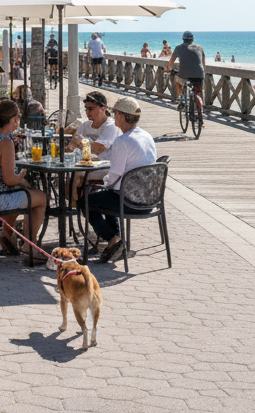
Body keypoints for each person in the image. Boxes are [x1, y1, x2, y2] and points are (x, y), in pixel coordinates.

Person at [85, 96, 157, 264]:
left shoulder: (122, 141)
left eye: (115, 113)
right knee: (106, 196)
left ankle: (113, 239)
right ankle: (117, 241)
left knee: (86, 201)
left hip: (131, 202)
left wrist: (100, 184)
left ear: (122, 116)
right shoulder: (146, 136)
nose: (113, 116)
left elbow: (114, 176)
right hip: (150, 200)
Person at [0, 99, 47, 261]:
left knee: (23, 193)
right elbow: (9, 180)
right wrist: (22, 176)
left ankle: (7, 234)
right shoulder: (5, 142)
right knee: (41, 198)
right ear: (13, 120)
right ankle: (30, 245)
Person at [65, 91, 122, 204]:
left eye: (91, 109)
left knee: (73, 177)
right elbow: (71, 147)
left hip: (106, 168)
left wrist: (80, 143)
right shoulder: (85, 125)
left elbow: (99, 148)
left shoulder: (111, 126)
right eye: (86, 108)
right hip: (86, 166)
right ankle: (78, 207)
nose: (87, 112)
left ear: (103, 108)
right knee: (67, 177)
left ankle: (76, 207)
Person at [167, 31, 206, 111]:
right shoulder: (199, 47)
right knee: (198, 91)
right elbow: (203, 62)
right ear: (192, 39)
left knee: (177, 81)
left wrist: (168, 69)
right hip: (199, 73)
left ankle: (181, 99)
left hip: (184, 74)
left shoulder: (178, 48)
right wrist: (203, 71)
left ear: (183, 39)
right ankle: (201, 110)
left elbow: (171, 62)